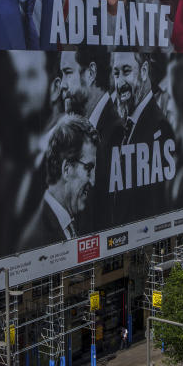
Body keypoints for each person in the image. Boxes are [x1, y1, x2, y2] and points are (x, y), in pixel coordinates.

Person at [59, 49, 123, 231]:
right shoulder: (85, 129)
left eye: (68, 73)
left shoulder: (114, 131)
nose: (62, 85)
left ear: (91, 73)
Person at [109, 51, 176, 220]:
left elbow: (157, 206)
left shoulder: (160, 128)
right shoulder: (126, 124)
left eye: (126, 71)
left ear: (144, 71)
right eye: (116, 74)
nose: (120, 83)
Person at [22, 115, 100, 249]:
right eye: (88, 168)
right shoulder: (38, 240)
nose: (93, 181)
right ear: (66, 169)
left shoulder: (67, 222)